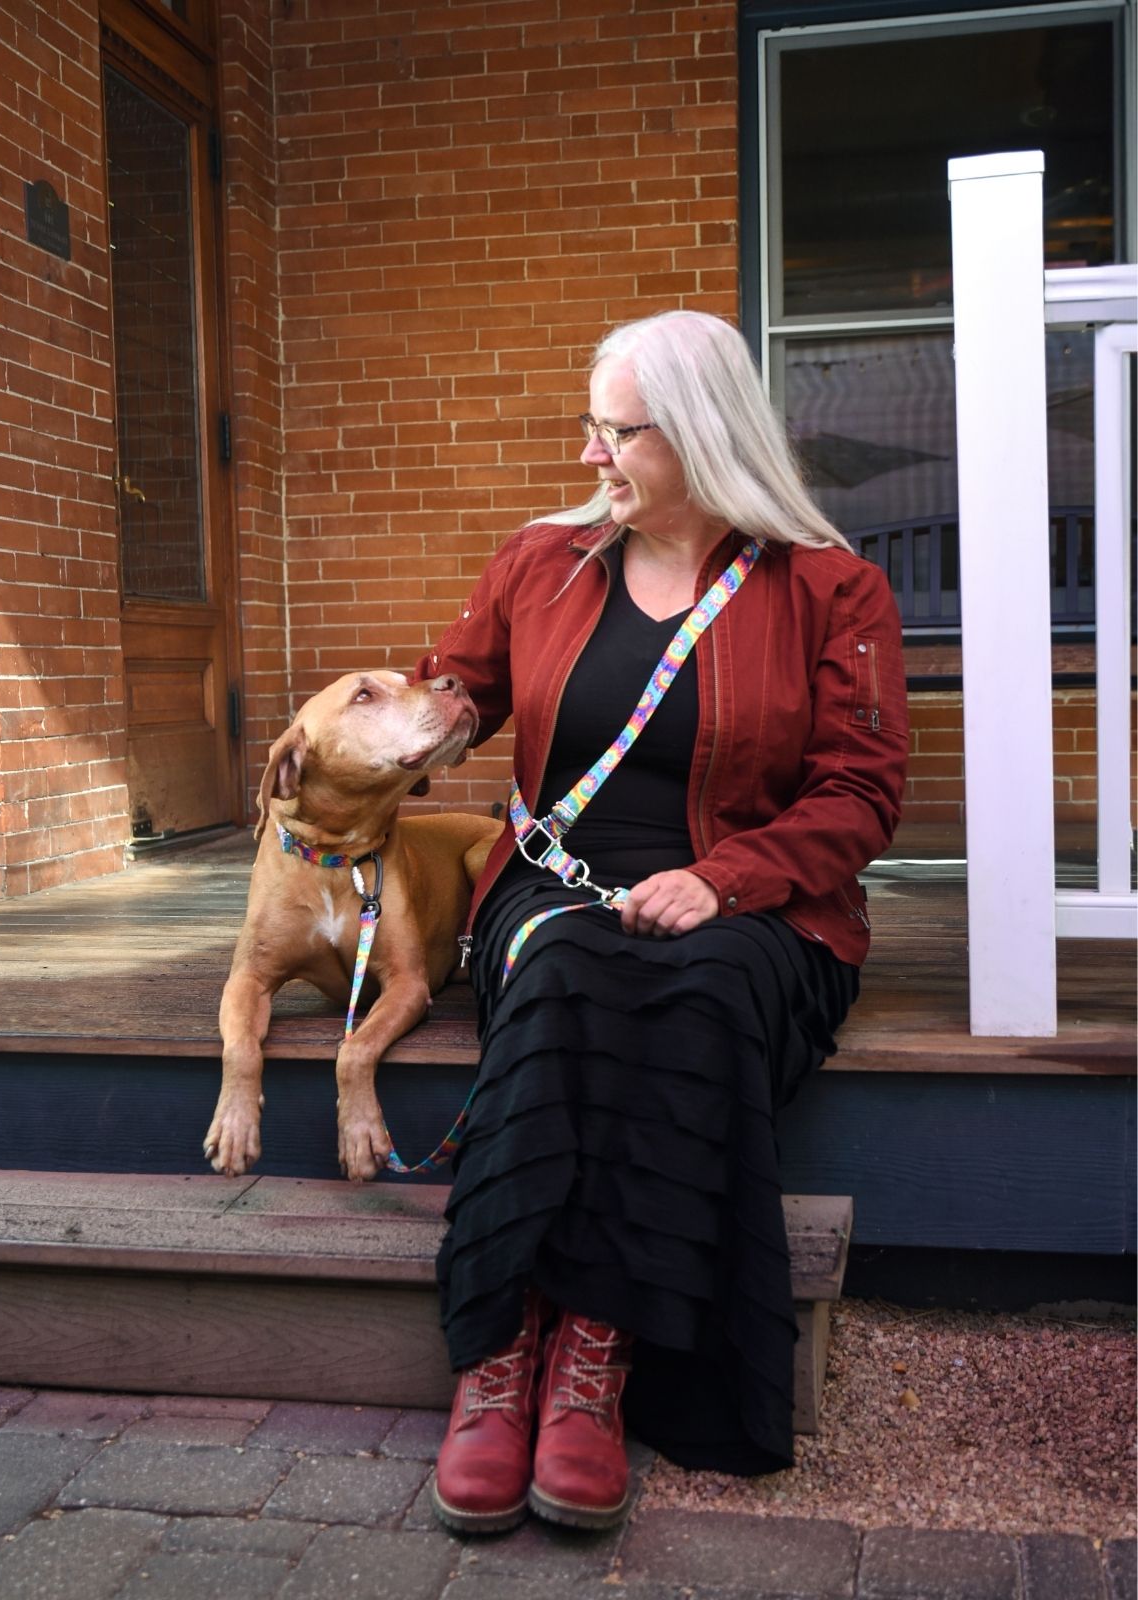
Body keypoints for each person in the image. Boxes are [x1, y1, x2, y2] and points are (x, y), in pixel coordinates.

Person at [412, 309, 908, 1535]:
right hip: (558, 883)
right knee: (573, 964)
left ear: (695, 436)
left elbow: (861, 791)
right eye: (591, 425)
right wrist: (378, 736)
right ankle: (500, 1351)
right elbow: (449, 695)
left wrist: (725, 878)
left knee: (700, 985)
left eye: (616, 430)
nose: (590, 454)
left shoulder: (833, 586)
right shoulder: (539, 562)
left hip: (763, 901)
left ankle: (596, 1345)